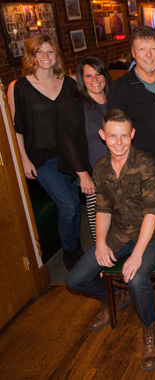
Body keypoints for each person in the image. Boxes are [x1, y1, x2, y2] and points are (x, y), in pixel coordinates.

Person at [65, 109, 155, 371]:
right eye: (112, 136)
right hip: (118, 233)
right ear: (103, 136)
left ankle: (149, 331)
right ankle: (113, 298)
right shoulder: (100, 167)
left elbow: (152, 213)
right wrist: (100, 242)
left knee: (136, 277)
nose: (119, 142)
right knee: (75, 279)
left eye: (124, 136)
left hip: (151, 234)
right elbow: (102, 209)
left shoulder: (146, 164)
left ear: (132, 134)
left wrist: (137, 255)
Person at [8, 34, 81, 271]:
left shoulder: (69, 83)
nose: (45, 57)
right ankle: (69, 250)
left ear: (56, 55)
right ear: (31, 56)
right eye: (40, 52)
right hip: (41, 158)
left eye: (50, 52)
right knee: (67, 206)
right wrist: (23, 159)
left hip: (69, 154)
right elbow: (16, 128)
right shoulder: (18, 87)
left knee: (74, 202)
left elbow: (78, 120)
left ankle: (77, 245)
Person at [107, 26, 155, 167]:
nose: (148, 55)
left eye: (153, 49)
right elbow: (115, 130)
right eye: (142, 50)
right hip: (142, 167)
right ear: (133, 53)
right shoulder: (119, 88)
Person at [58, 57, 111, 241]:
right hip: (95, 177)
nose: (95, 79)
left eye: (98, 74)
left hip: (124, 174)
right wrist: (83, 175)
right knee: (101, 233)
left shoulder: (117, 99)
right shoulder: (74, 105)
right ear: (81, 79)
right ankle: (104, 266)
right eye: (88, 75)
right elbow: (67, 141)